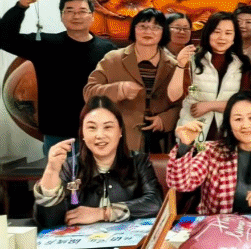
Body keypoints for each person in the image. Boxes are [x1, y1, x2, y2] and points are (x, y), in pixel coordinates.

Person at [0, 0, 115, 153]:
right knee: (59, 171)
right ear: (62, 16)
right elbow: (4, 39)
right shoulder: (45, 44)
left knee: (101, 170)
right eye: (69, 11)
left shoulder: (108, 50)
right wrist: (20, 7)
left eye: (82, 11)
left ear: (92, 16)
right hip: (58, 135)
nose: (76, 16)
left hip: (98, 132)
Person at [34, 96, 163, 228]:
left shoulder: (138, 162)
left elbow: (155, 203)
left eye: (108, 127)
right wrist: (51, 170)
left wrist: (104, 213)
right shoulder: (70, 166)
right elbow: (48, 221)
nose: (100, 135)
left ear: (120, 131)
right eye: (92, 128)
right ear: (82, 133)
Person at [167, 91, 251, 214]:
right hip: (218, 227)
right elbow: (181, 185)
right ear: (229, 123)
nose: (245, 125)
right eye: (238, 119)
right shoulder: (212, 151)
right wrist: (184, 146)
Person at [84, 8, 182, 153]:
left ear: (164, 32)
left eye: (155, 27)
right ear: (134, 29)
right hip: (119, 139)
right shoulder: (113, 59)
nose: (148, 32)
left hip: (160, 142)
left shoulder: (174, 66)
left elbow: (184, 104)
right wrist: (119, 90)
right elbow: (89, 93)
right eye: (143, 26)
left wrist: (165, 120)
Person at [168, 12, 249, 142]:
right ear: (208, 34)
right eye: (217, 32)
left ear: (234, 37)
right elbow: (173, 96)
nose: (222, 37)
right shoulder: (192, 60)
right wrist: (180, 65)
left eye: (228, 33)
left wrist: (210, 105)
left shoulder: (241, 64)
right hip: (192, 133)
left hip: (228, 134)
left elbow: (245, 103)